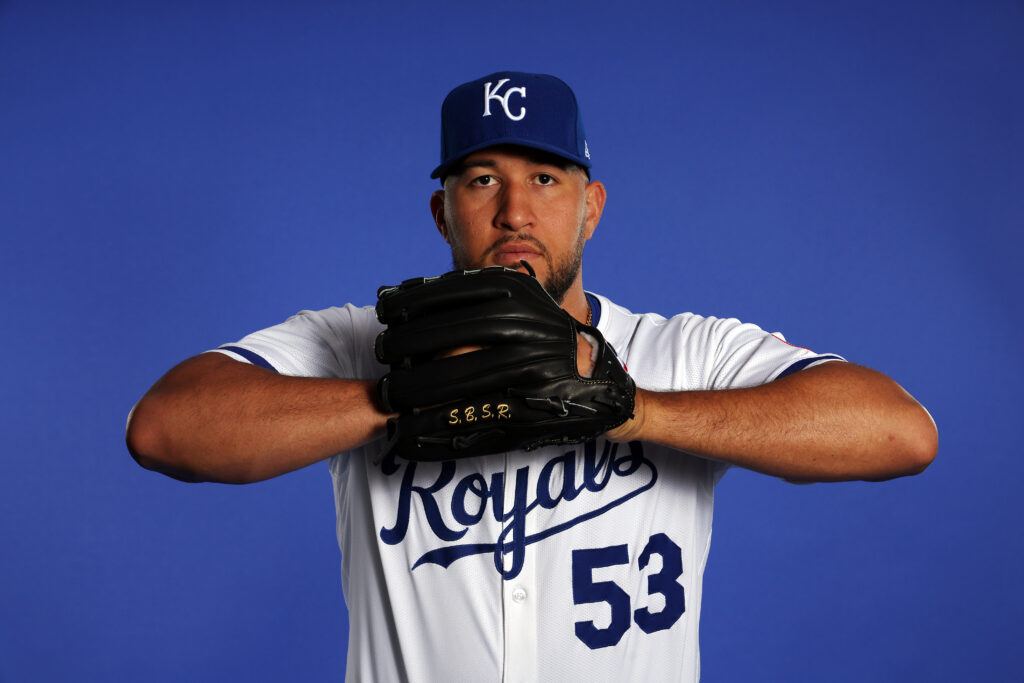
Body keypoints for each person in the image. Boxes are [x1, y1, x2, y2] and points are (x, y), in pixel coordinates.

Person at [126, 71, 937, 682]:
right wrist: (392, 396)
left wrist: (636, 408)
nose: (515, 210)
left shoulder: (682, 354)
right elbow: (167, 427)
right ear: (444, 213)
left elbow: (899, 430)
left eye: (545, 178)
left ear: (592, 207)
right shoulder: (358, 344)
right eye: (482, 180)